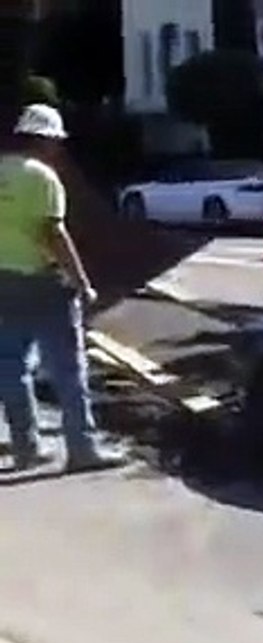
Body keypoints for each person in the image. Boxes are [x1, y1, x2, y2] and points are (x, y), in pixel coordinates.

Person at [0, 104, 128, 472]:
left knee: (11, 367)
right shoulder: (42, 177)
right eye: (56, 141)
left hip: (3, 283)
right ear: (45, 140)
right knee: (69, 369)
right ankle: (81, 448)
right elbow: (53, 233)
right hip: (43, 283)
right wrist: (82, 283)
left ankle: (25, 447)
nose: (58, 149)